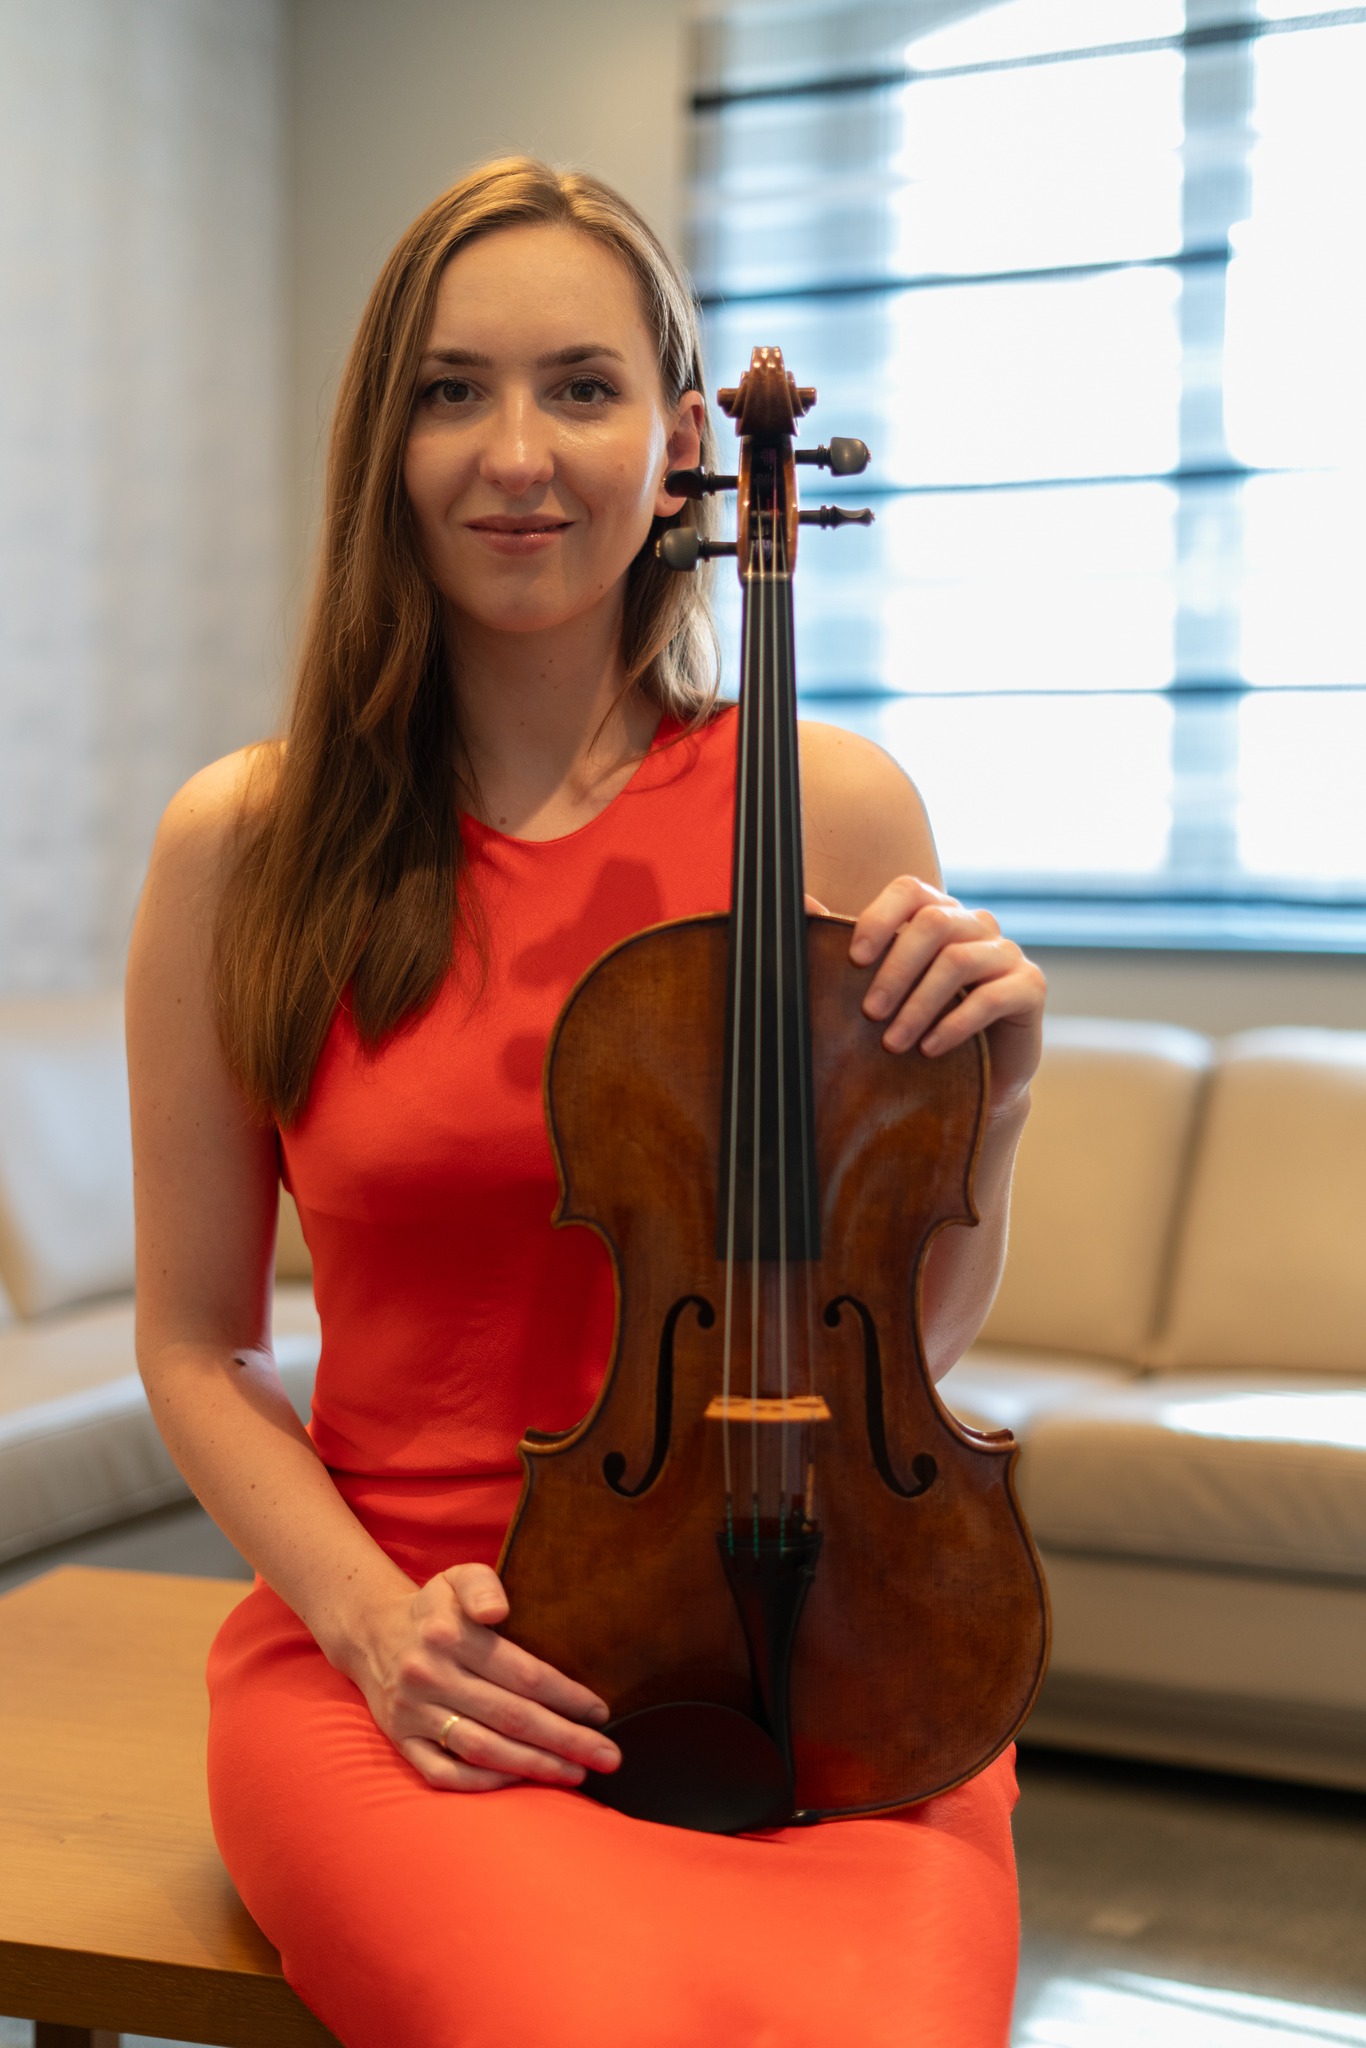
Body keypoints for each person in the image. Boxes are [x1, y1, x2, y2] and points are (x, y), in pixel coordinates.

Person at [126, 156, 1046, 2048]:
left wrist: (1002, 1102)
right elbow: (195, 1345)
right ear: (383, 444)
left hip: (815, 1643)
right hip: (424, 1657)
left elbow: (880, 1355)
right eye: (450, 391)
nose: (516, 454)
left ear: (681, 438)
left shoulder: (832, 807)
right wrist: (371, 1627)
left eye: (580, 387)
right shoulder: (245, 845)